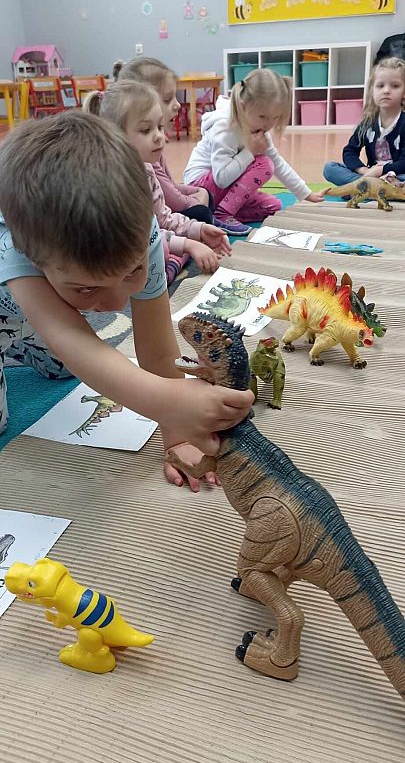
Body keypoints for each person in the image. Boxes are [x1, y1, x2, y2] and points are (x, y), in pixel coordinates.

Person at [0, 113, 253, 491]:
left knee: (67, 368)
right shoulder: (16, 243)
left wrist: (177, 434)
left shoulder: (138, 230)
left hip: (37, 311)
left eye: (132, 273)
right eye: (87, 289)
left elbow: (157, 347)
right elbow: (71, 339)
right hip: (13, 302)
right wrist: (169, 400)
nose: (118, 301)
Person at [83, 81, 231, 283]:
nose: (159, 136)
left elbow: (163, 219)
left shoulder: (146, 170)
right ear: (113, 137)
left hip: (143, 244)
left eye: (160, 127)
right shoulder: (110, 182)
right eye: (146, 130)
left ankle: (175, 259)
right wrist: (188, 244)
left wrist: (199, 230)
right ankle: (174, 261)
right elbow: (140, 238)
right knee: (161, 249)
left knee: (183, 234)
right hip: (107, 258)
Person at [114, 56, 252, 236]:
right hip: (158, 223)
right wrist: (196, 200)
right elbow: (171, 201)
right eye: (167, 99)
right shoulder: (144, 158)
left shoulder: (152, 146)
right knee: (201, 211)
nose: (178, 105)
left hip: (164, 212)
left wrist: (197, 192)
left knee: (205, 197)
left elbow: (170, 186)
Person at [183, 68, 324, 229]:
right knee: (264, 164)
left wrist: (305, 193)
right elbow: (221, 178)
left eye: (275, 117)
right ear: (243, 107)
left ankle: (215, 213)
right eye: (262, 116)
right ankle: (222, 214)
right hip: (200, 189)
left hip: (221, 189)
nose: (268, 124)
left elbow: (278, 163)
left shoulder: (258, 129)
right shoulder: (225, 129)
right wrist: (250, 151)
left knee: (273, 205)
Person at [324, 57, 405, 188]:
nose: (386, 91)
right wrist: (364, 171)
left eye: (395, 86)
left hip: (398, 175)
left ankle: (360, 188)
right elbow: (349, 151)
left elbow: (403, 163)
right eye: (380, 86)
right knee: (330, 168)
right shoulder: (368, 123)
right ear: (372, 91)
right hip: (370, 176)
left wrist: (381, 170)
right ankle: (369, 187)